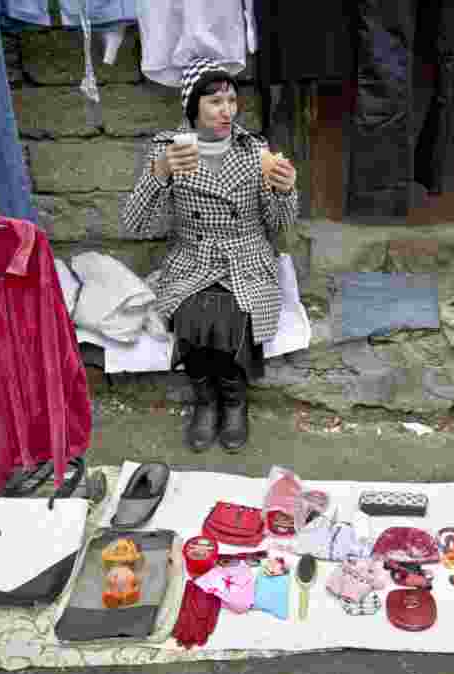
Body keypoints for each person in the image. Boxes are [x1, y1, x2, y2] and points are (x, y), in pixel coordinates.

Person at [122, 57, 298, 453]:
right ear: (192, 105)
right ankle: (205, 402)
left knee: (232, 312)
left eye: (232, 100)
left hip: (247, 256)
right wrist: (161, 173)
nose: (227, 111)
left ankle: (234, 403)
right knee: (191, 311)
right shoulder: (169, 149)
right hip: (192, 257)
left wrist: (285, 191)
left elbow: (279, 223)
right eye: (215, 101)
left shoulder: (255, 150)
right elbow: (135, 222)